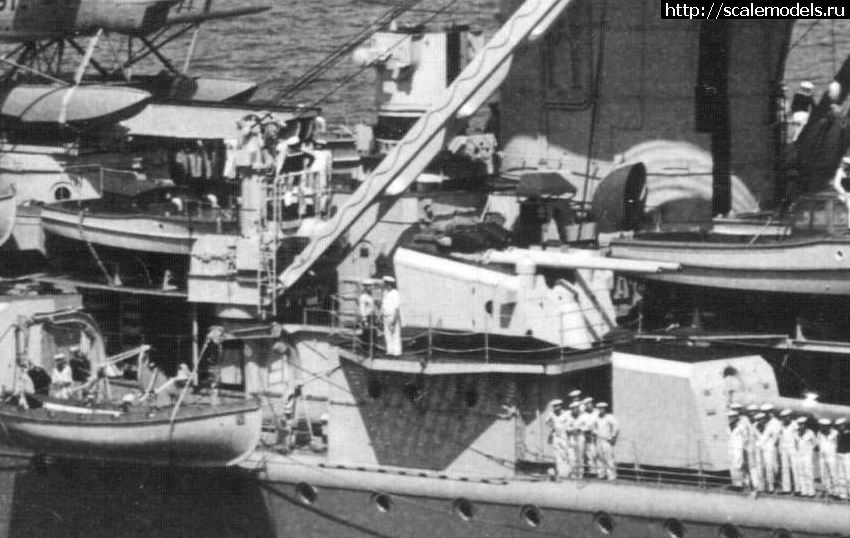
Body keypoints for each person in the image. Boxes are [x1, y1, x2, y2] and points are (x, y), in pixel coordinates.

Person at [545, 399, 572, 479]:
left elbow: (569, 423)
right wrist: (553, 425)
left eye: (557, 406)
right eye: (555, 406)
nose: (556, 408)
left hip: (564, 435)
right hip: (556, 436)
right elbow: (547, 421)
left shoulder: (565, 414)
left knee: (565, 454)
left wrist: (565, 427)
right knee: (557, 455)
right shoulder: (551, 414)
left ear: (561, 406)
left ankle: (566, 473)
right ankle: (560, 473)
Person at [760, 404, 782, 492]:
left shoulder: (775, 422)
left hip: (771, 448)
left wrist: (771, 445)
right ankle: (769, 485)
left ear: (771, 412)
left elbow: (775, 437)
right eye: (764, 412)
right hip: (765, 448)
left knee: (772, 467)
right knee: (767, 467)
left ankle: (771, 486)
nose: (766, 414)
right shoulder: (766, 422)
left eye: (767, 412)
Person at [595, 402, 618, 480]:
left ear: (605, 409)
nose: (601, 410)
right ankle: (601, 475)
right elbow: (593, 427)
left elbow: (616, 427)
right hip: (599, 439)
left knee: (608, 458)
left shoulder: (609, 417)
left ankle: (611, 476)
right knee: (600, 457)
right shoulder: (596, 418)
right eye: (599, 408)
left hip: (606, 440)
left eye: (602, 408)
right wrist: (595, 433)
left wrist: (612, 437)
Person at [380, 276, 402, 356]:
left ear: (388, 284)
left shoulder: (395, 293)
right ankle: (390, 351)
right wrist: (379, 316)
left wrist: (395, 319)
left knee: (395, 334)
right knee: (387, 334)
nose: (383, 285)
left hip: (392, 315)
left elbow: (396, 307)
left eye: (385, 283)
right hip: (385, 316)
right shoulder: (385, 293)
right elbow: (383, 306)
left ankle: (397, 352)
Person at [778, 409, 799, 493]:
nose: (785, 419)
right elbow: (780, 438)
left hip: (792, 448)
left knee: (795, 467)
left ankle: (798, 488)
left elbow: (797, 439)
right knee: (785, 468)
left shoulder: (794, 425)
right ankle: (786, 489)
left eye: (787, 417)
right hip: (784, 448)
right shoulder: (781, 425)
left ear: (790, 417)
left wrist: (798, 450)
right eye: (783, 417)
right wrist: (780, 448)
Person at [796, 416, 817, 497]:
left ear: (805, 425)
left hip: (807, 456)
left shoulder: (810, 433)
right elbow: (795, 444)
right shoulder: (796, 433)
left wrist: (810, 450)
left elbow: (815, 443)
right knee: (801, 473)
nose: (801, 426)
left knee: (808, 473)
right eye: (800, 424)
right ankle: (803, 491)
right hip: (799, 455)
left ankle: (811, 491)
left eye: (803, 424)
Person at [819, 418, 839, 497]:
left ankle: (836, 491)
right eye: (821, 426)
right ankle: (827, 490)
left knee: (834, 474)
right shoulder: (820, 433)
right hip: (822, 456)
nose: (822, 428)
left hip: (832, 456)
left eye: (823, 426)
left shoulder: (835, 433)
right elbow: (818, 443)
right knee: (824, 474)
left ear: (827, 426)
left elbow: (838, 443)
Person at [577, 397, 597, 477]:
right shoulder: (583, 415)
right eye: (587, 405)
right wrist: (585, 429)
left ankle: (601, 473)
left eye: (590, 404)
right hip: (589, 437)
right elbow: (578, 425)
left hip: (599, 436)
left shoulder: (597, 412)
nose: (589, 406)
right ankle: (593, 473)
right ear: (585, 406)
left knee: (599, 455)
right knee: (590, 454)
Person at [728, 411, 748, 489]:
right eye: (729, 417)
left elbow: (745, 438)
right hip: (730, 449)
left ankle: (739, 485)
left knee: (738, 467)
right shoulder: (727, 426)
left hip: (738, 449)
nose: (730, 418)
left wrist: (742, 447)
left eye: (732, 417)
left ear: (736, 417)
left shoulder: (741, 426)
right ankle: (734, 484)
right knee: (731, 467)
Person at [566, 401, 583, 478]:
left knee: (580, 456)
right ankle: (573, 474)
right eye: (573, 409)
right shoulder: (568, 417)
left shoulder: (583, 417)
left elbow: (586, 426)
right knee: (572, 457)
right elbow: (566, 427)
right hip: (571, 437)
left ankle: (580, 474)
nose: (575, 410)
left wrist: (579, 429)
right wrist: (571, 430)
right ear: (571, 410)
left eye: (576, 408)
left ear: (578, 409)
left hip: (580, 437)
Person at [836, 418, 850, 500]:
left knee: (848, 475)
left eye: (841, 426)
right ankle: (842, 494)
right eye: (838, 426)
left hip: (847, 455)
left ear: (844, 426)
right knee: (841, 476)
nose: (840, 427)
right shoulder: (838, 435)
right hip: (839, 455)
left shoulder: (848, 434)